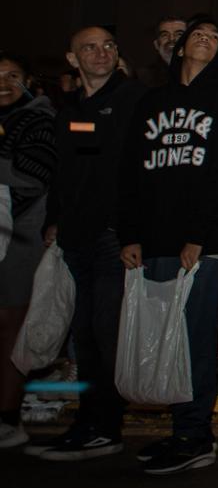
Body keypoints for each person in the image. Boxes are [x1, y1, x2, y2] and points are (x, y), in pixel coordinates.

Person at [116, 15, 218, 474]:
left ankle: (196, 434)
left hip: (199, 242)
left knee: (193, 339)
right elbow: (131, 171)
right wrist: (129, 233)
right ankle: (177, 430)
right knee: (161, 337)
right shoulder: (152, 102)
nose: (206, 41)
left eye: (215, 38)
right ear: (178, 48)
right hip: (152, 238)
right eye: (199, 34)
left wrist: (200, 235)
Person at [30, 26, 145, 460]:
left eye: (109, 46)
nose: (101, 53)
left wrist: (131, 232)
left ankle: (106, 424)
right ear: (73, 58)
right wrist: (55, 220)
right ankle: (88, 421)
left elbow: (135, 172)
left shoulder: (134, 100)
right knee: (83, 336)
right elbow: (66, 171)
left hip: (114, 238)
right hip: (75, 236)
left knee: (106, 332)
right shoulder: (70, 108)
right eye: (90, 48)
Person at [0, 51, 58, 450]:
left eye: (12, 75)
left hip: (18, 239)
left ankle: (7, 416)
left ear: (28, 80)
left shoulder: (39, 119)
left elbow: (34, 176)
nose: (4, 82)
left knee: (10, 327)